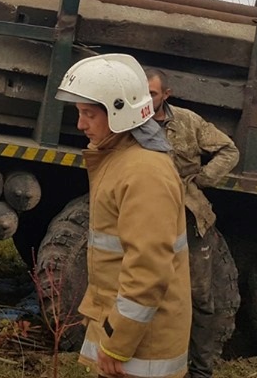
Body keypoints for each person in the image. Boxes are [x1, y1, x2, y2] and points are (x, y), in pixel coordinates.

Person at [56, 54, 191, 378]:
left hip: (141, 347)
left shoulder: (143, 172)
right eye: (79, 113)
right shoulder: (122, 159)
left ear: (121, 113)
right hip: (127, 335)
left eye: (89, 114)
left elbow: (148, 269)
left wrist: (118, 341)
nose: (80, 124)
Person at [146, 68, 240, 378]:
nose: (147, 100)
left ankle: (200, 371)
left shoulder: (186, 121)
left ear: (166, 95)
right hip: (148, 216)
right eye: (142, 94)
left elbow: (229, 149)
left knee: (200, 297)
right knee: (147, 292)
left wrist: (203, 179)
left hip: (189, 217)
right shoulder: (130, 124)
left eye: (153, 94)